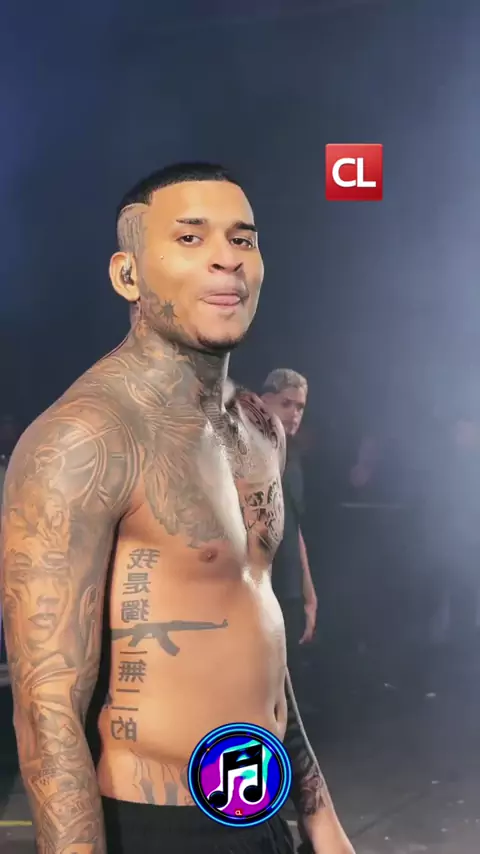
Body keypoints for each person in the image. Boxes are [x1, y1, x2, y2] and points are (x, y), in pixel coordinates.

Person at [1, 162, 354, 854]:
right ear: (127, 274)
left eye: (242, 239)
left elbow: (255, 632)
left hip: (257, 803)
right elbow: (47, 709)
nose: (227, 257)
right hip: (152, 823)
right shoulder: (84, 438)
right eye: (190, 238)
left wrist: (319, 816)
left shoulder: (260, 428)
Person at [262, 370, 317, 673]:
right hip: (256, 590)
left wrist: (308, 592)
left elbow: (294, 528)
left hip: (289, 590)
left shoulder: (292, 460)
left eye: (300, 407)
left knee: (287, 679)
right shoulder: (242, 454)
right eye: (286, 404)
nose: (294, 414)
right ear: (265, 400)